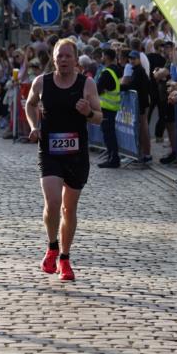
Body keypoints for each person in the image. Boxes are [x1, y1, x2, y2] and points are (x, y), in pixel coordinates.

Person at [25, 38, 102, 282]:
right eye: (60, 56)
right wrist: (33, 126)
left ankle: (65, 259)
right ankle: (52, 246)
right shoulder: (42, 82)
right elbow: (29, 104)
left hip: (76, 155)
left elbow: (99, 117)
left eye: (68, 56)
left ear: (76, 58)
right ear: (54, 58)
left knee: (69, 208)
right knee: (53, 201)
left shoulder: (86, 84)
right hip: (49, 151)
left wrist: (87, 112)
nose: (64, 60)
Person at [120, 49, 152, 164]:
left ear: (139, 59)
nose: (132, 61)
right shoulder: (136, 70)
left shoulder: (139, 71)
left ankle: (146, 154)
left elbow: (133, 86)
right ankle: (141, 153)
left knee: (143, 128)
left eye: (134, 58)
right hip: (140, 102)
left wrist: (119, 88)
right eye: (130, 58)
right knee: (141, 127)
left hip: (141, 103)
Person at [96, 46, 122, 168]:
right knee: (110, 133)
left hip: (107, 107)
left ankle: (113, 159)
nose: (101, 58)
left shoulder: (107, 72)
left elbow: (97, 89)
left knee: (108, 134)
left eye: (102, 55)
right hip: (112, 107)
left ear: (106, 57)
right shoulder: (116, 70)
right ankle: (113, 157)